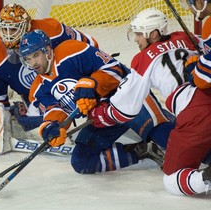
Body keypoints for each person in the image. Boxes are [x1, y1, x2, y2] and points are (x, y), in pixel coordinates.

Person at [86, 8, 211, 195]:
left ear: (153, 34)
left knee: (172, 179)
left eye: (138, 34)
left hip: (196, 113)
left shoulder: (144, 59)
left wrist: (99, 115)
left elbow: (125, 109)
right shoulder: (187, 37)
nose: (136, 39)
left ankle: (205, 179)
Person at [17, 29, 175, 174]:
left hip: (126, 98)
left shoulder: (70, 51)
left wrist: (93, 86)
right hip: (100, 115)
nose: (33, 63)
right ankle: (144, 150)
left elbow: (115, 69)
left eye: (36, 55)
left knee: (164, 137)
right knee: (81, 161)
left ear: (48, 51)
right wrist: (51, 128)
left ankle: (183, 136)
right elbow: (55, 111)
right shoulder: (37, 90)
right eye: (28, 59)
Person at [0, 3, 98, 133]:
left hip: (72, 82)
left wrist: (92, 79)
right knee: (38, 122)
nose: (9, 35)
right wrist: (2, 119)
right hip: (39, 97)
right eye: (5, 29)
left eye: (14, 29)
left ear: (27, 26)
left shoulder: (52, 30)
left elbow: (91, 48)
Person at [180, 0, 211, 89]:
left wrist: (195, 73)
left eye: (190, 4)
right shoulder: (208, 24)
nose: (189, 8)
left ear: (199, 2)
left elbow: (201, 82)